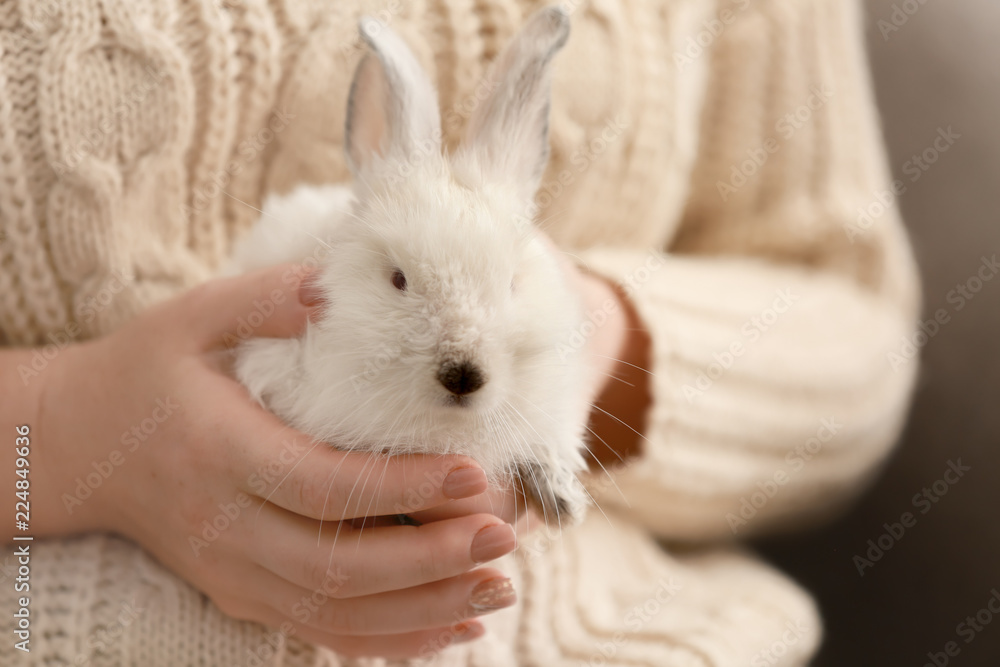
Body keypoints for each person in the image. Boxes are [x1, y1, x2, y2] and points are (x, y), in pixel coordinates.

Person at [0, 0, 920, 665]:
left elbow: (853, 330)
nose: (459, 360)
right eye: (399, 281)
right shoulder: (316, 269)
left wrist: (595, 350)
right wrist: (69, 431)